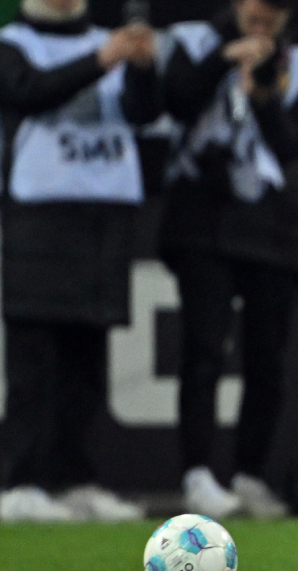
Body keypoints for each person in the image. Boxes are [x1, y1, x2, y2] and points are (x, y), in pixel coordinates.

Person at [160, 0, 298, 518]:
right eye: (257, 5)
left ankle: (250, 473)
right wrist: (224, 60)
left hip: (273, 230)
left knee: (266, 359)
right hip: (202, 222)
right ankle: (197, 473)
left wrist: (264, 95)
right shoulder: (195, 43)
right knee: (204, 349)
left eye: (276, 9)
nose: (264, 16)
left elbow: (294, 146)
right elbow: (175, 102)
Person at [0, 0, 158, 521]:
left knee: (87, 360)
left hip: (105, 212)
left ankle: (75, 479)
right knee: (33, 360)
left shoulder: (108, 41)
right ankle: (20, 481)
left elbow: (143, 113)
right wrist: (102, 60)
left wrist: (143, 68)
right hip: (39, 215)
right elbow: (30, 91)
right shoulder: (14, 45)